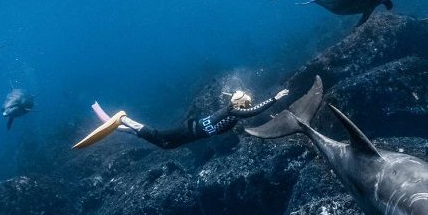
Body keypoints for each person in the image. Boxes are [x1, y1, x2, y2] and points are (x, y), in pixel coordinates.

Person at [73, 88, 290, 150]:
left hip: (190, 135)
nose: (249, 106)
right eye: (247, 103)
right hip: (188, 131)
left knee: (164, 145)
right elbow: (253, 112)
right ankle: (124, 119)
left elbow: (246, 116)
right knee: (158, 136)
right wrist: (274, 98)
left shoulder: (232, 113)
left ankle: (121, 125)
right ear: (242, 103)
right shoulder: (234, 111)